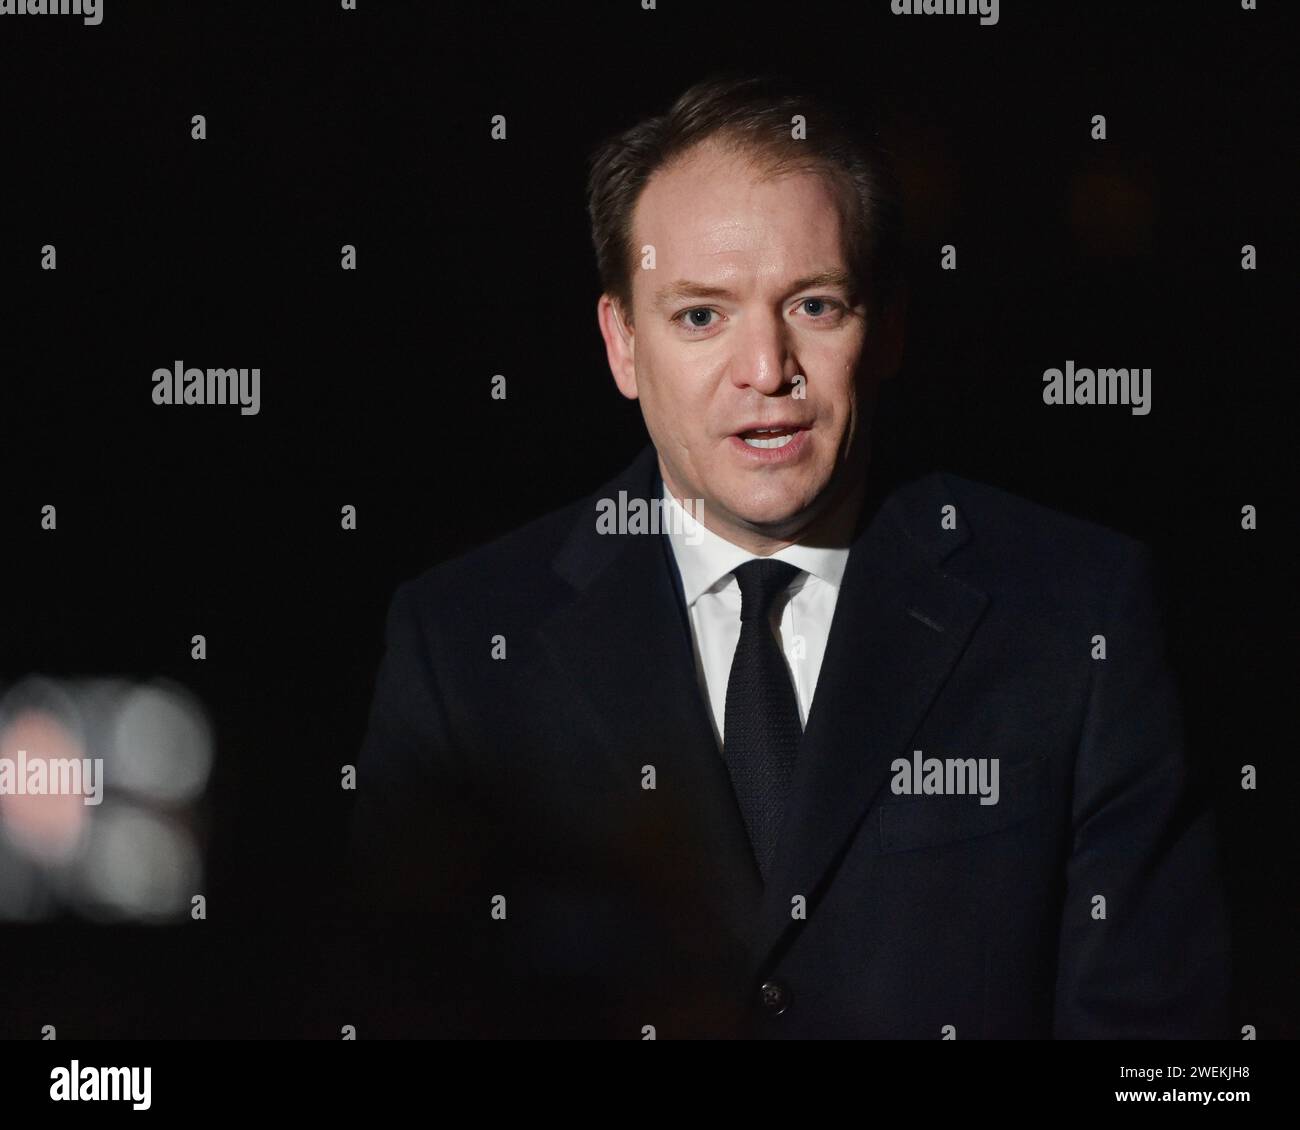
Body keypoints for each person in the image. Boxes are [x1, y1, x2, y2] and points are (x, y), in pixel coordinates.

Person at [346, 73, 1230, 1039]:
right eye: (700, 315)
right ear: (622, 343)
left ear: (884, 326)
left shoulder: (1077, 616)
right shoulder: (463, 647)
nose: (766, 371)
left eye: (813, 305)